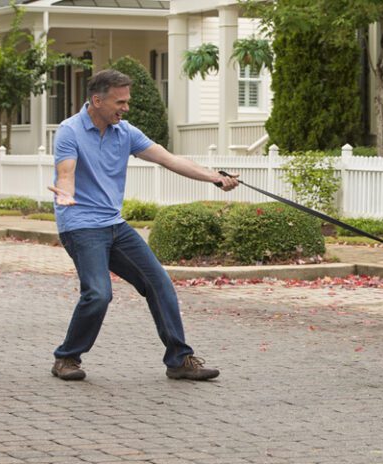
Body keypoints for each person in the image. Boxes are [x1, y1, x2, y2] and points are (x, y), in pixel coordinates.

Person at [48, 69, 239, 381]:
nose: (125, 108)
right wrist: (65, 193)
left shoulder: (125, 133)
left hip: (114, 224)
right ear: (97, 100)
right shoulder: (70, 131)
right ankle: (67, 358)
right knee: (98, 293)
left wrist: (215, 178)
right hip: (80, 224)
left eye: (127, 101)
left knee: (159, 283)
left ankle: (179, 360)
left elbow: (169, 159)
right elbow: (66, 172)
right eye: (119, 102)